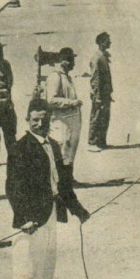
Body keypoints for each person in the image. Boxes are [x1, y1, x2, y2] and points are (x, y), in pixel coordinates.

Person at [6, 98, 90, 279]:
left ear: (50, 120)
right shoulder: (20, 148)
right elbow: (13, 187)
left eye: (43, 120)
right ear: (27, 120)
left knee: (46, 266)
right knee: (27, 267)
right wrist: (23, 218)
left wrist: (78, 210)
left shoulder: (53, 145)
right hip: (31, 219)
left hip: (51, 213)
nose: (39, 124)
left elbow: (63, 184)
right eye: (35, 120)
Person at [46, 47, 83, 183]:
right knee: (62, 149)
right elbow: (51, 100)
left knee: (70, 150)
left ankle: (68, 179)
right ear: (64, 62)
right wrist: (72, 103)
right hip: (61, 121)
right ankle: (60, 181)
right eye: (71, 60)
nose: (74, 63)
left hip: (71, 120)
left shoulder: (67, 77)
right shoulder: (55, 77)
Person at [88, 32, 113, 152]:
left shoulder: (103, 56)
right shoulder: (97, 58)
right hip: (99, 94)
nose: (110, 42)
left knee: (104, 118)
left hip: (105, 94)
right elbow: (95, 79)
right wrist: (97, 96)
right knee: (96, 117)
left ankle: (101, 142)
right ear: (101, 43)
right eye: (108, 40)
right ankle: (92, 142)